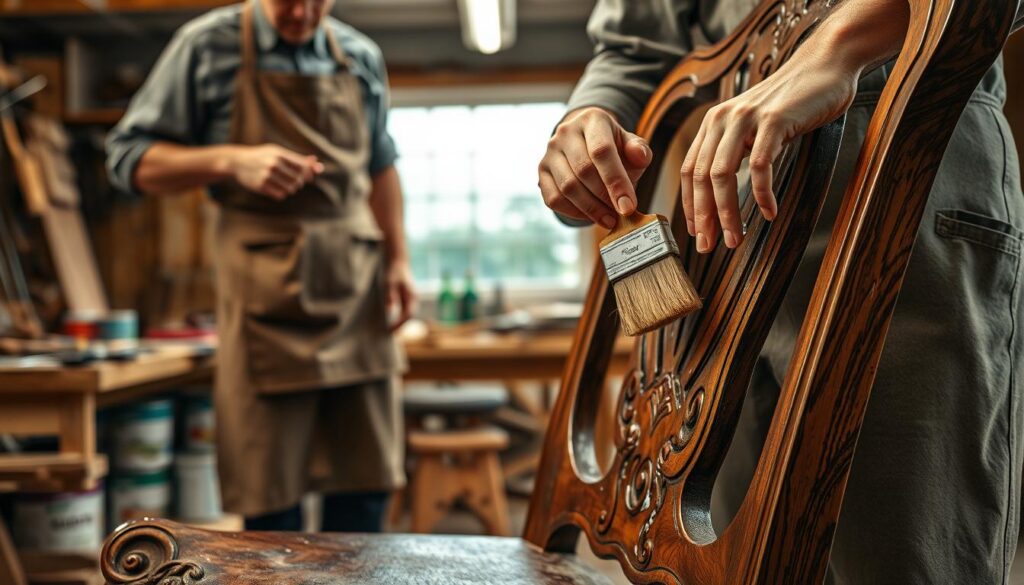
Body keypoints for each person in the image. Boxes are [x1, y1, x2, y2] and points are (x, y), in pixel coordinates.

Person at [539, 0, 1024, 583]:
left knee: (906, 559)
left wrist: (839, 42)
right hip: (726, 225)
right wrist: (591, 119)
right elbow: (633, 46)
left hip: (910, 166)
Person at [106, 0, 416, 532]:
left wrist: (399, 261)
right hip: (263, 303)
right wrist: (231, 159)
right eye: (285, 1)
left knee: (365, 492)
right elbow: (127, 159)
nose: (300, 14)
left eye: (316, 1)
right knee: (271, 505)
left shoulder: (361, 56)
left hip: (355, 293)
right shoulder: (206, 47)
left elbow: (380, 165)